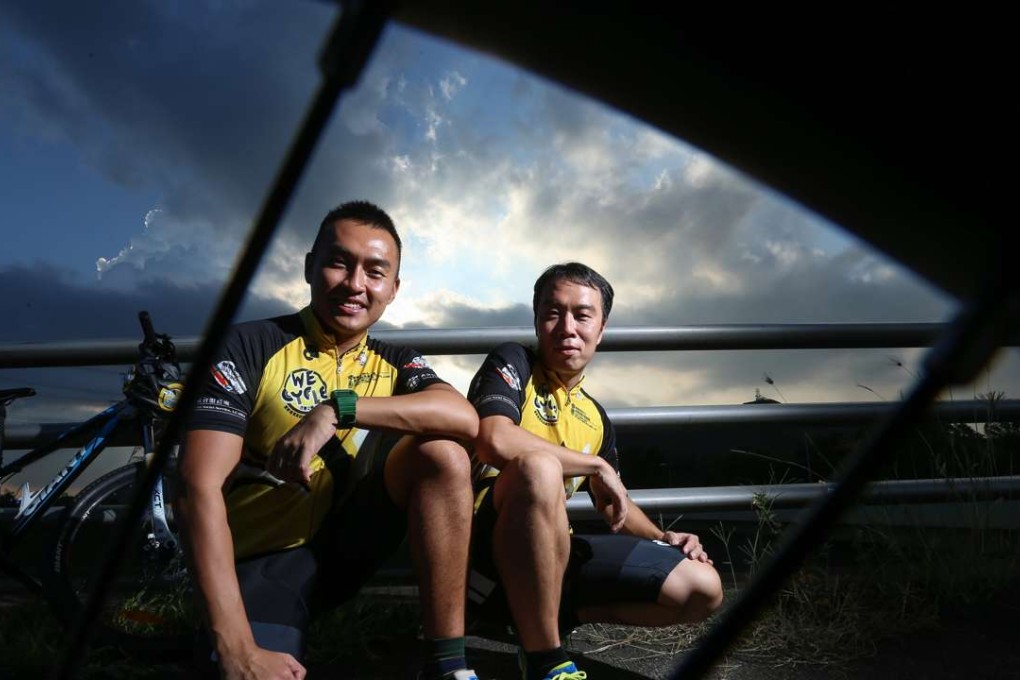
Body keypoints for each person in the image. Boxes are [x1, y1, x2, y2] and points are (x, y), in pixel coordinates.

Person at [177, 200, 480, 680]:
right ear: (309, 267)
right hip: (263, 556)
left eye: (375, 272)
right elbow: (198, 488)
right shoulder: (251, 343)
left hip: (348, 547)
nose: (356, 284)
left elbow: (464, 418)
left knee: (442, 452)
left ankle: (447, 664)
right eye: (340, 262)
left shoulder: (395, 359)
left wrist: (338, 409)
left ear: (393, 289)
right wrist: (236, 647)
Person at [466, 262, 724, 680]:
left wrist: (664, 537)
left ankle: (554, 620)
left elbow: (614, 508)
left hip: (555, 555)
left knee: (702, 588)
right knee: (538, 468)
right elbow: (494, 438)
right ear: (536, 320)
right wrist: (594, 464)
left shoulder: (595, 416)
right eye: (553, 312)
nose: (567, 326)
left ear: (601, 329)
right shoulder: (514, 362)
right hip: (485, 553)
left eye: (582, 315)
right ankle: (543, 657)